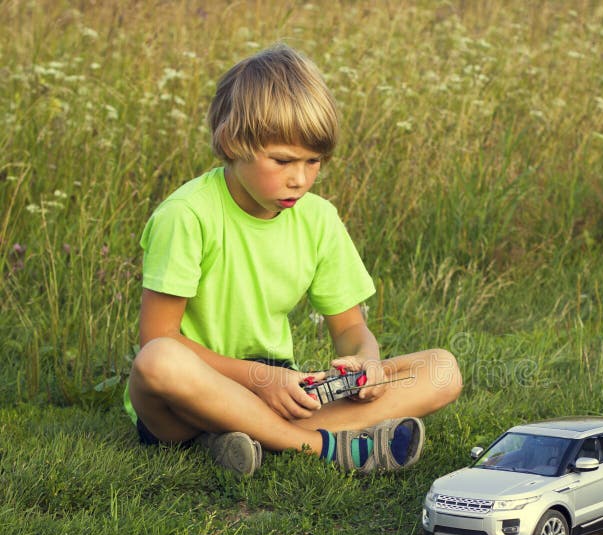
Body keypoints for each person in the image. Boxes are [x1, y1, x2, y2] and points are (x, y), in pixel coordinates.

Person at [124, 44, 462, 476]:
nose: (299, 178)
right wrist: (257, 382)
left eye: (313, 161)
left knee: (442, 370)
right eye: (282, 160)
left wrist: (368, 363)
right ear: (233, 141)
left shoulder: (319, 219)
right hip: (188, 392)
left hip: (280, 381)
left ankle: (239, 437)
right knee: (156, 363)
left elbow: (351, 329)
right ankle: (319, 446)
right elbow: (158, 338)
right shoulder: (187, 214)